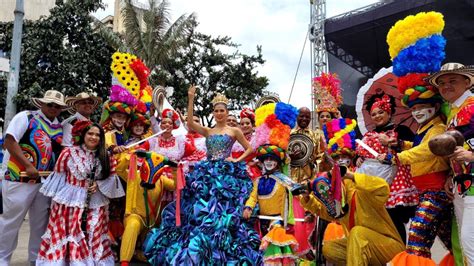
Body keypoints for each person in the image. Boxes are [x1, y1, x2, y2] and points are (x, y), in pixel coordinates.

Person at [143, 87, 262, 265]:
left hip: (226, 176)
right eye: (216, 111)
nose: (219, 113)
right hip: (206, 173)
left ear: (227, 112)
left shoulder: (234, 131)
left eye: (222, 110)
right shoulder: (208, 131)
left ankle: (220, 245)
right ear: (213, 113)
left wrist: (237, 161)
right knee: (197, 207)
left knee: (224, 211)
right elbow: (190, 123)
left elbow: (251, 148)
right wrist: (191, 99)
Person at [36, 121, 125, 265]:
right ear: (83, 135)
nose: (94, 137)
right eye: (90, 133)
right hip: (70, 200)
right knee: (70, 231)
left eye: (97, 135)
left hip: (95, 200)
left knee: (93, 230)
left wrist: (98, 184)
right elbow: (59, 177)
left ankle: (90, 260)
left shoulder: (105, 155)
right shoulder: (68, 153)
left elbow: (111, 178)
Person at [0, 90, 67, 265]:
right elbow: (9, 141)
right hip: (19, 178)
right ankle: (2, 258)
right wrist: (28, 166)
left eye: (57, 106)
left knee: (40, 223)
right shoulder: (26, 117)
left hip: (45, 183)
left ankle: (36, 259)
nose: (53, 108)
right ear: (42, 104)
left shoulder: (59, 126)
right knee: (11, 220)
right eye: (50, 104)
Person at [300, 170, 405, 265]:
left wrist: (352, 176)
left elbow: (383, 188)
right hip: (365, 246)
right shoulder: (339, 207)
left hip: (390, 248)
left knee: (357, 233)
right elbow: (321, 211)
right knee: (329, 249)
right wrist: (307, 197)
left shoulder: (361, 193)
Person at [427, 62, 474, 265]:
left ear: (467, 81)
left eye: (452, 80)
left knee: (469, 240)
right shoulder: (453, 113)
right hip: (460, 185)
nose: (446, 86)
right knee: (464, 244)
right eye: (442, 83)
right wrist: (450, 176)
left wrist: (473, 156)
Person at [355, 94, 418, 244]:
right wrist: (357, 159)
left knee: (395, 221)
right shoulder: (368, 135)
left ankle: (399, 255)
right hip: (373, 185)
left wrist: (392, 143)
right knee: (377, 223)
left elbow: (414, 150)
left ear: (389, 112)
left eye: (380, 112)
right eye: (373, 114)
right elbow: (360, 153)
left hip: (396, 183)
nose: (377, 116)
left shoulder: (401, 130)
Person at [232, 108, 260, 180]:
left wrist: (256, 162)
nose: (245, 126)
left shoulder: (258, 138)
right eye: (242, 124)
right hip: (236, 172)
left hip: (254, 172)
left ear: (252, 125)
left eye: (247, 123)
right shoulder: (234, 140)